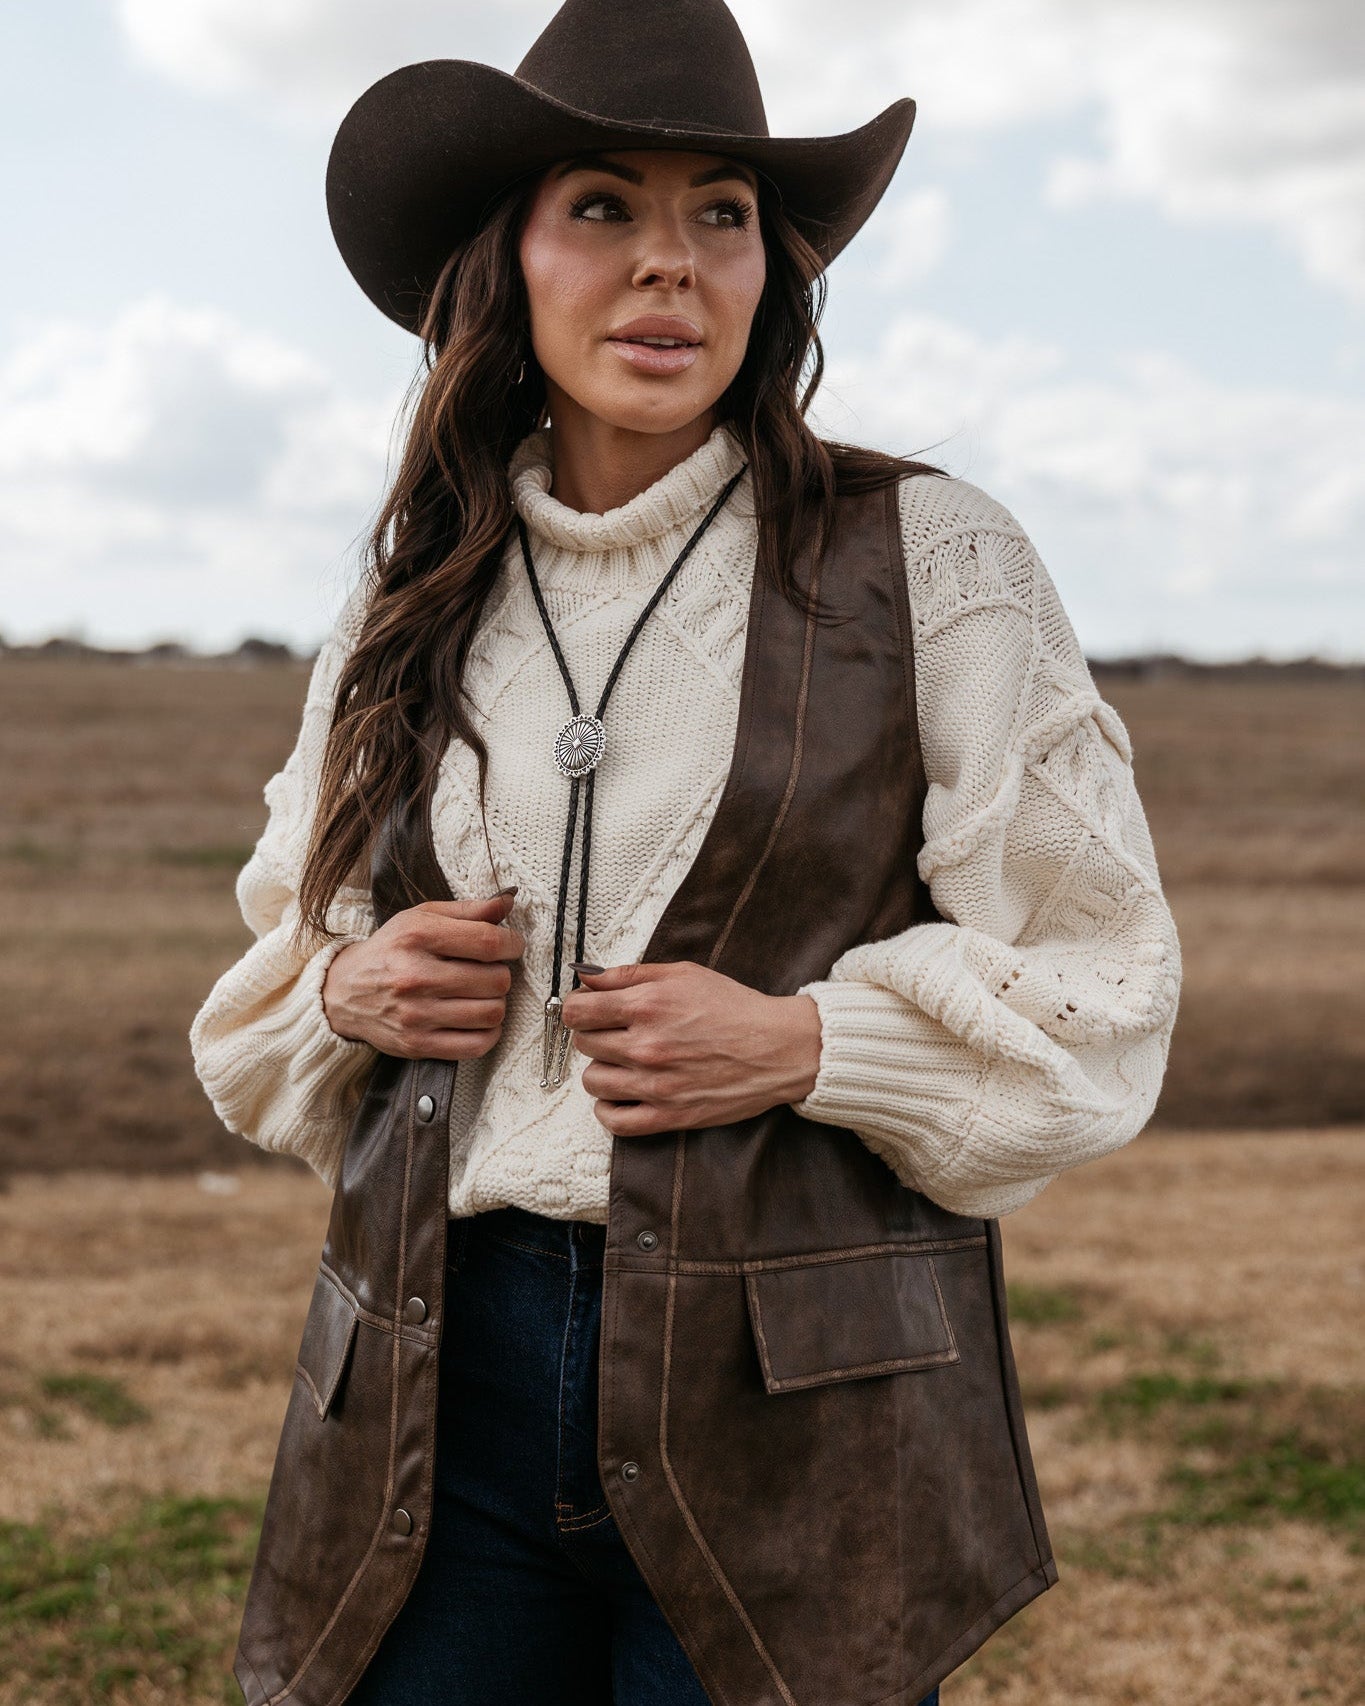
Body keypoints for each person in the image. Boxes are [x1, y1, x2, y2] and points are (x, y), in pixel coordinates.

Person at [190, 1, 1183, 1701]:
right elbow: (278, 978)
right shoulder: (410, 588)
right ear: (503, 260)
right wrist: (352, 986)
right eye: (604, 206)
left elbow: (1105, 982)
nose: (670, 266)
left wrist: (807, 1040)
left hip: (796, 1404)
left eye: (718, 215)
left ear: (766, 274)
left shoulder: (929, 555)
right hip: (439, 1389)